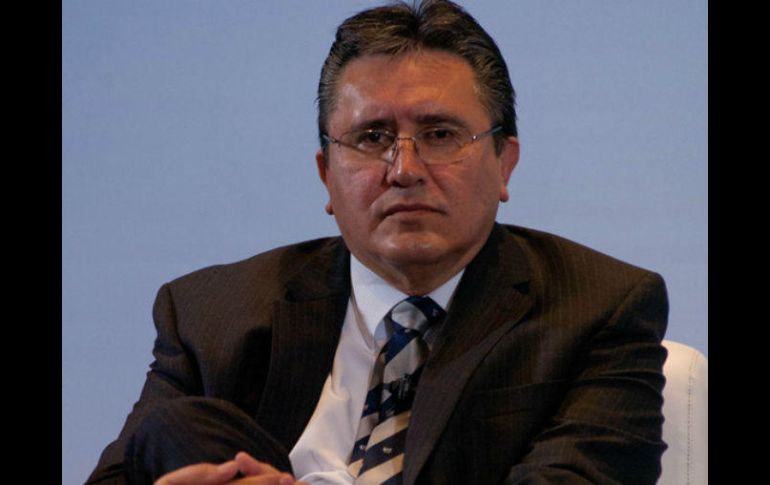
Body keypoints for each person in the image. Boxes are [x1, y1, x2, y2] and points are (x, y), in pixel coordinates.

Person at [86, 1, 669, 484]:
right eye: (372, 137)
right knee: (179, 432)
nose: (404, 170)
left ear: (504, 163)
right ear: (326, 176)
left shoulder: (600, 309)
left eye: (439, 134)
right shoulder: (211, 315)